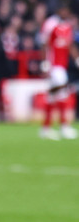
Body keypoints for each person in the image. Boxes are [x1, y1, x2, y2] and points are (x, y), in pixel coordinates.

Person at [37, 7, 77, 139]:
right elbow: (44, 44)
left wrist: (76, 58)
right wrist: (45, 63)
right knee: (62, 95)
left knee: (53, 96)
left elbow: (70, 45)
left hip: (62, 66)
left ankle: (46, 128)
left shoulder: (67, 27)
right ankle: (64, 127)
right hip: (54, 67)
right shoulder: (51, 24)